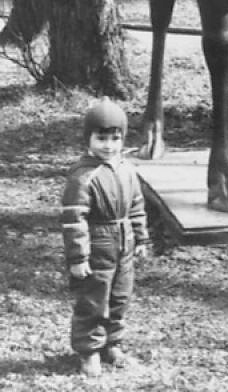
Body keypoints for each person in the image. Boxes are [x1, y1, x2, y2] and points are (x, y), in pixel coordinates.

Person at [61, 97, 150, 377]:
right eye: (101, 138)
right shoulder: (83, 176)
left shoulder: (127, 170)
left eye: (115, 138)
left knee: (120, 296)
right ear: (88, 138)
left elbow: (136, 206)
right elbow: (74, 219)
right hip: (98, 242)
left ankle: (113, 343)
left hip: (123, 242)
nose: (108, 145)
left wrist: (141, 238)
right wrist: (78, 257)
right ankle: (89, 351)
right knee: (93, 298)